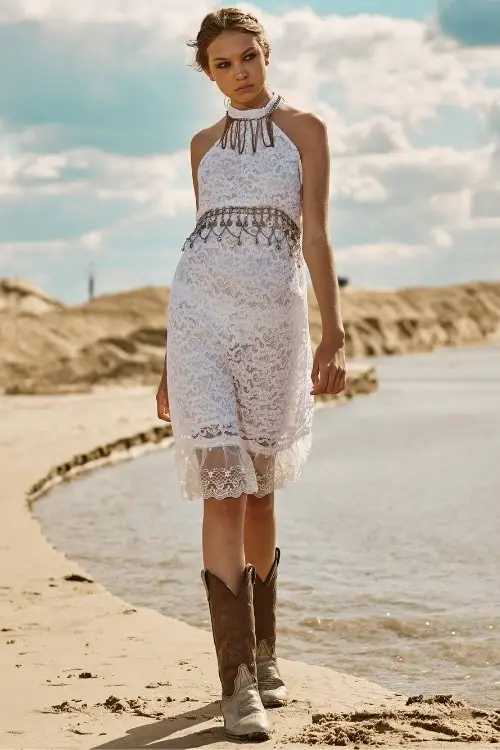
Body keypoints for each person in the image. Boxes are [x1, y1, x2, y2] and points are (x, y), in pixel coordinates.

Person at [156, 7, 346, 742]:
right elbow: (200, 243)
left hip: (271, 328)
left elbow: (317, 232)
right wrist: (169, 360)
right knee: (223, 490)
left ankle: (265, 652)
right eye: (222, 64)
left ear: (266, 54)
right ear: (207, 73)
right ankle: (237, 687)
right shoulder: (202, 146)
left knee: (260, 495)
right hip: (199, 324)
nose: (238, 73)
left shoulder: (306, 130)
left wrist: (334, 330)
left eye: (247, 58)